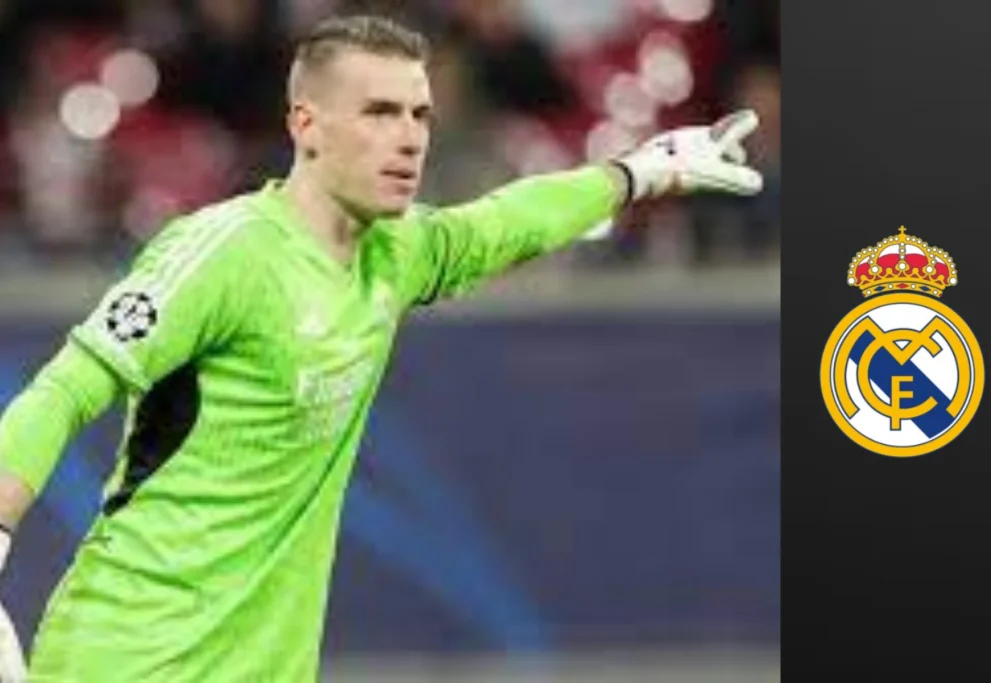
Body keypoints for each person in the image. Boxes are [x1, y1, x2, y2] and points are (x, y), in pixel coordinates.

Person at [0, 14, 762, 682]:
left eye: (419, 114)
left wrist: (639, 172)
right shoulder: (225, 253)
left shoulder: (396, 253)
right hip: (132, 658)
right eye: (379, 112)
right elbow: (67, 386)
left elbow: (505, 222)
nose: (409, 137)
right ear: (307, 125)